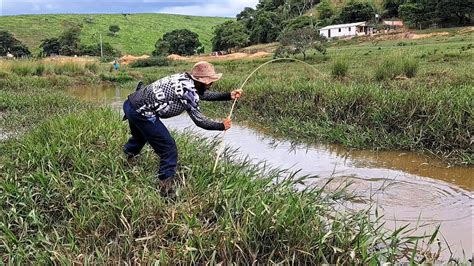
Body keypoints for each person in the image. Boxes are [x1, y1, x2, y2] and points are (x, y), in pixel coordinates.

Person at [122, 61, 242, 193]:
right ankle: (165, 188)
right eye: (209, 82)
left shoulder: (185, 79)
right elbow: (200, 121)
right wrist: (221, 126)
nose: (211, 85)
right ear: (199, 81)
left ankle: (126, 160)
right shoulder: (188, 90)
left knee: (140, 136)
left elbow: (200, 94)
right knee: (168, 148)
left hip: (130, 104)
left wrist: (227, 96)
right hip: (141, 112)